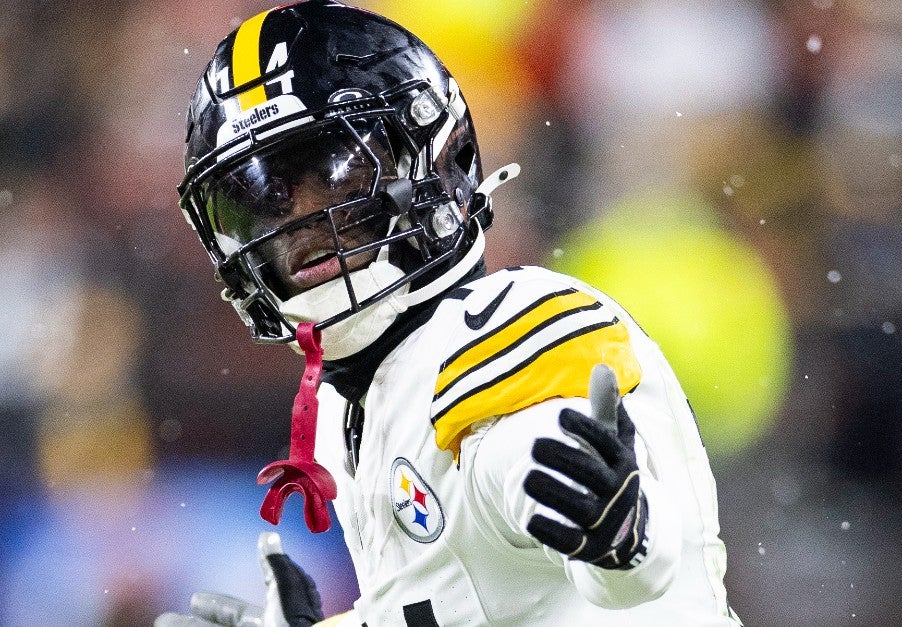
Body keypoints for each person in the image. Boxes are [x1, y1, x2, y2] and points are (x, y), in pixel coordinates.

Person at [155, 2, 739, 626]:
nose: (297, 221)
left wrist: (614, 533)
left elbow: (626, 570)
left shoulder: (508, 327)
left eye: (331, 170)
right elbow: (469, 605)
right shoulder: (351, 401)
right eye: (263, 197)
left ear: (439, 161)